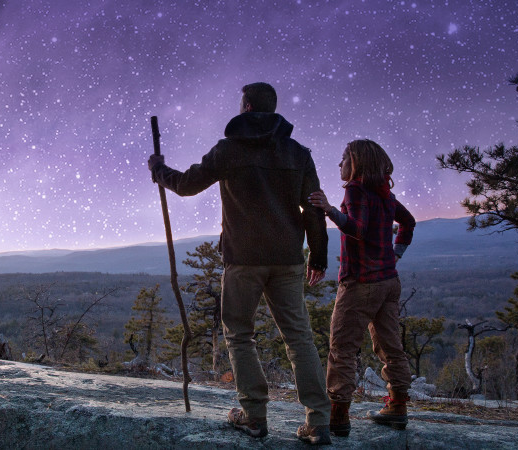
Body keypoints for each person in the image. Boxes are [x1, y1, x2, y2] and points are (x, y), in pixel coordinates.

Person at [148, 82, 334, 445]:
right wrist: (319, 255)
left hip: (243, 258)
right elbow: (313, 206)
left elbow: (186, 185)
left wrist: (159, 170)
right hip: (287, 258)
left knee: (238, 333)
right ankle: (319, 422)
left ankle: (253, 415)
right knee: (299, 338)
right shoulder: (298, 154)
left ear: (246, 108)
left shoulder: (229, 150)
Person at [307, 139, 416, 436]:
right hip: (388, 282)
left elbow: (358, 229)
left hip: (361, 282)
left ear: (356, 162)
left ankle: (338, 416)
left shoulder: (355, 189)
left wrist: (330, 209)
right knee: (391, 347)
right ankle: (397, 406)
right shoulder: (385, 193)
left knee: (342, 348)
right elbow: (408, 222)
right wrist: (396, 255)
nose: (339, 164)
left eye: (343, 158)